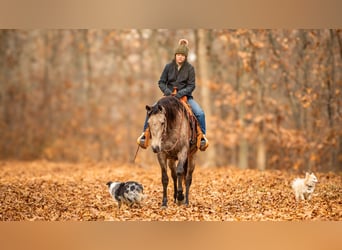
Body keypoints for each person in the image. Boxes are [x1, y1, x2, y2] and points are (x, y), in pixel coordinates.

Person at [137, 38, 209, 151]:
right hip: (168, 98)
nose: (180, 57)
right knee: (151, 110)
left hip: (184, 98)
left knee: (200, 113)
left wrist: (180, 94)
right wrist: (167, 92)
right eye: (178, 54)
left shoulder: (190, 69)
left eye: (182, 55)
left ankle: (202, 137)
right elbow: (161, 82)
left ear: (185, 57)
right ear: (175, 55)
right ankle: (144, 135)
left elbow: (191, 86)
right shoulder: (168, 67)